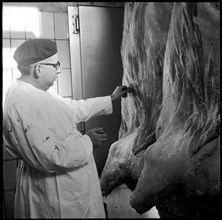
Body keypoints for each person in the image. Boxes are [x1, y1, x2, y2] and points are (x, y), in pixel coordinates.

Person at [3, 39, 132, 218]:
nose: (59, 70)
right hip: (54, 195)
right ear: (38, 68)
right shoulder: (21, 103)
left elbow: (70, 109)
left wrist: (110, 99)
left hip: (66, 189)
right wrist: (88, 141)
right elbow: (51, 157)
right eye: (55, 65)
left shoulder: (37, 92)